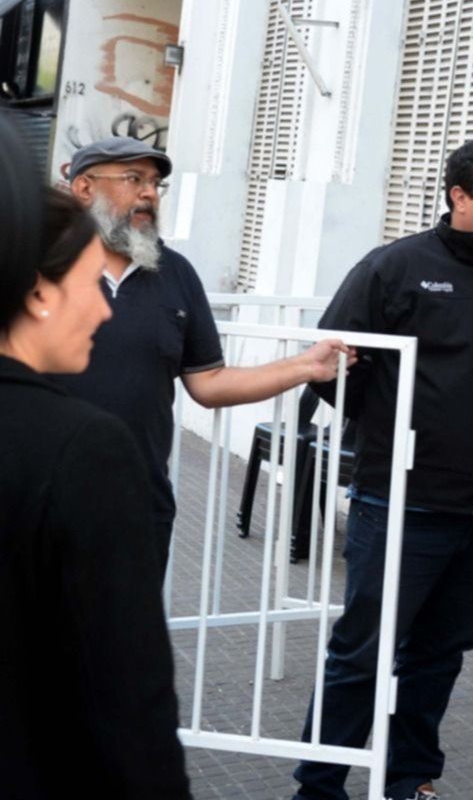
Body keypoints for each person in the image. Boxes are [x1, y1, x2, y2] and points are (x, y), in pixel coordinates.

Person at [284, 139, 473, 800]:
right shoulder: (395, 268)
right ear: (459, 197)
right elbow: (335, 366)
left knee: (438, 655)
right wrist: (393, 432)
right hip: (399, 499)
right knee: (363, 652)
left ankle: (407, 787)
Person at [0, 127, 197, 800]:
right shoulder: (82, 449)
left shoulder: (173, 273)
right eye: (89, 285)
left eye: (154, 182)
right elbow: (129, 699)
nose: (105, 309)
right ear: (38, 292)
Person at [53, 137, 352, 570]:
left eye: (156, 183)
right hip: (38, 496)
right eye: (134, 179)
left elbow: (208, 382)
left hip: (137, 502)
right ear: (84, 187)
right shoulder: (37, 263)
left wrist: (305, 365)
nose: (149, 193)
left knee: (129, 615)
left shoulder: (175, 273)